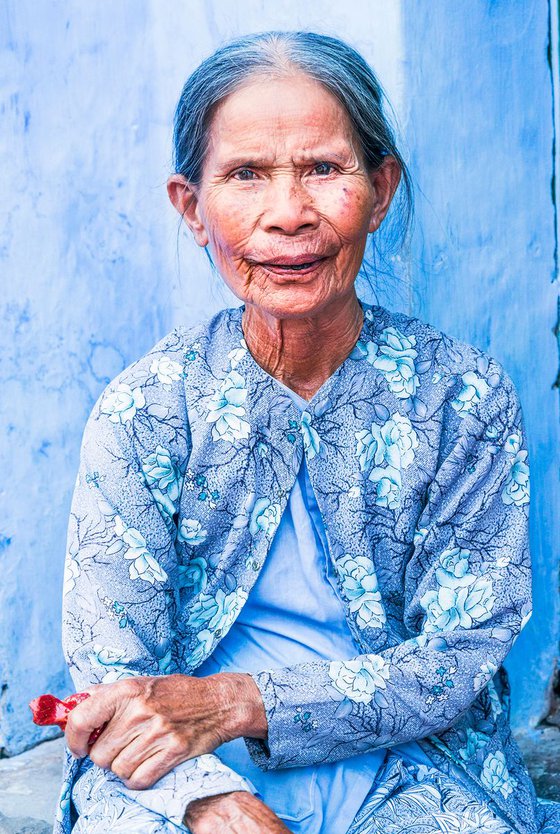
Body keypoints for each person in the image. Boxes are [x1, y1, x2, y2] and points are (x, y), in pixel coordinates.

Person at [55, 31, 559, 834]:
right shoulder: (147, 408)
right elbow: (116, 678)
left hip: (412, 759)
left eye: (323, 169)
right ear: (191, 208)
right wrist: (209, 800)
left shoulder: (461, 395)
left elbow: (455, 663)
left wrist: (238, 701)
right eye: (245, 175)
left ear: (381, 188)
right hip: (182, 764)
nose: (288, 214)